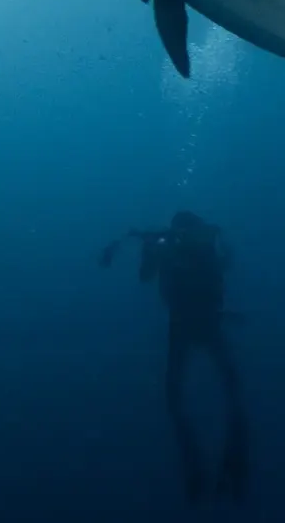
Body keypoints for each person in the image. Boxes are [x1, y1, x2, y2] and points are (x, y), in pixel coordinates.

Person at [99, 211, 249, 503]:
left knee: (176, 395)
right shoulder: (199, 245)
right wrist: (153, 251)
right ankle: (231, 459)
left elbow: (145, 277)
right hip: (206, 321)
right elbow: (225, 264)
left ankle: (204, 461)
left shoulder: (180, 246)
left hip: (185, 324)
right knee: (229, 387)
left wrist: (153, 252)